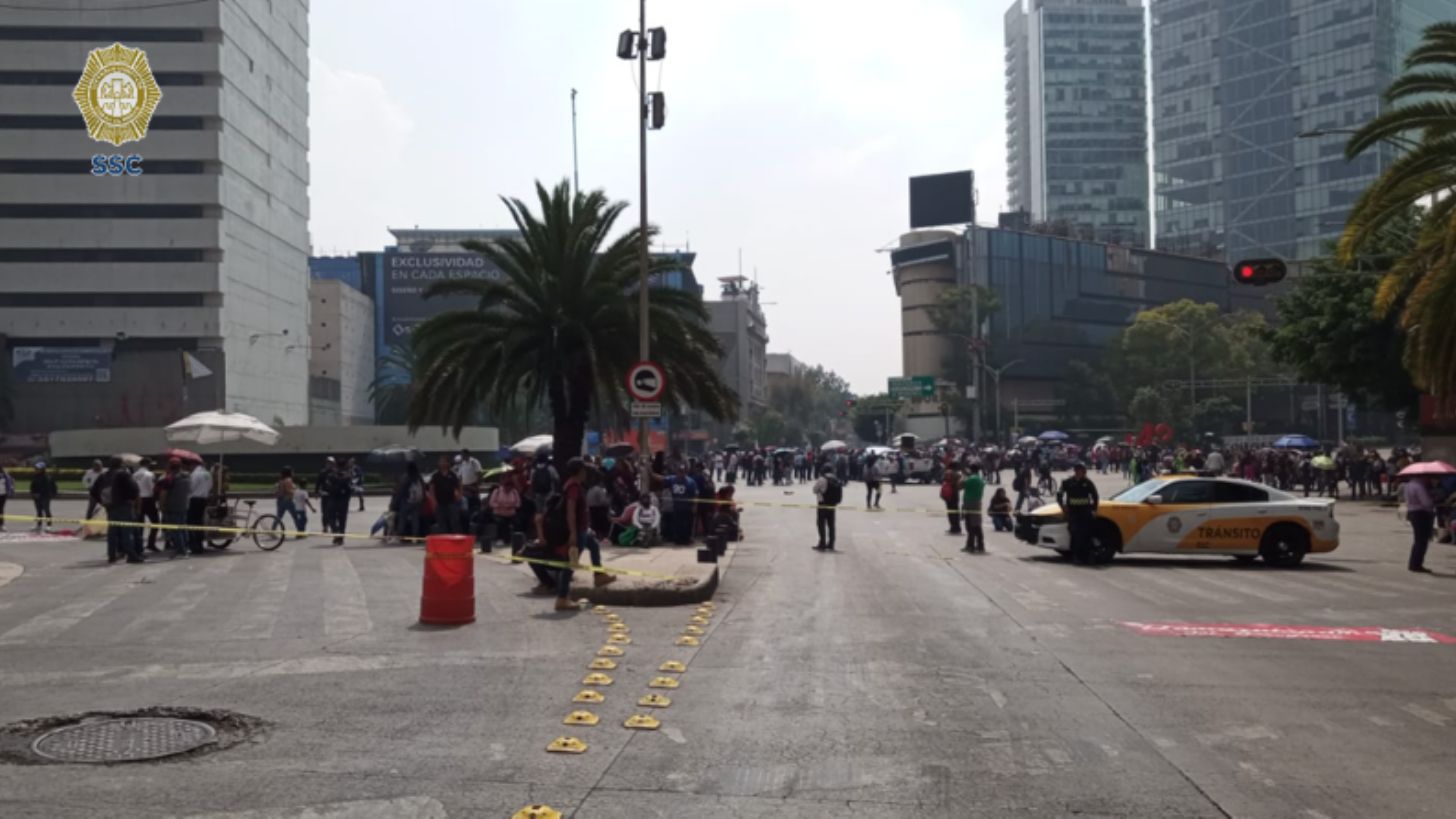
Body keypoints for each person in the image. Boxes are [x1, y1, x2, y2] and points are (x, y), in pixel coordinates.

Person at [1058, 462, 1100, 564]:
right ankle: (1076, 556)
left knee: (1086, 534)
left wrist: (1094, 509)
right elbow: (1059, 494)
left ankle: (1087, 556)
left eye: (1082, 471)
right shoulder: (1068, 482)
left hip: (1085, 511)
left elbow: (1095, 496)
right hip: (1073, 512)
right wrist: (1062, 506)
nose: (1080, 473)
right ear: (1076, 471)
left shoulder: (1087, 482)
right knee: (1075, 534)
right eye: (1079, 471)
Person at [103, 457, 142, 564]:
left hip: (111, 507)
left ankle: (112, 555)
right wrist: (132, 500)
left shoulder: (104, 475)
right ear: (120, 464)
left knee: (112, 532)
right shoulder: (124, 474)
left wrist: (104, 503)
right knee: (127, 532)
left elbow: (95, 490)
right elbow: (135, 489)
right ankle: (131, 555)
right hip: (124, 505)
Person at [155, 459, 192, 560]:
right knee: (183, 528)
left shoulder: (170, 478)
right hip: (184, 505)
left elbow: (163, 494)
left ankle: (180, 550)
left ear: (170, 466)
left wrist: (161, 506)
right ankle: (186, 548)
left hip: (172, 507)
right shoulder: (187, 476)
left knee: (175, 530)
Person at [1404, 474, 1436, 573]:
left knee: (1417, 539)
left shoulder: (1408, 485)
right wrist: (1432, 501)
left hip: (1412, 512)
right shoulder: (1419, 486)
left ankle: (1413, 563)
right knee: (1422, 541)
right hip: (1421, 513)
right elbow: (1426, 502)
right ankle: (1416, 564)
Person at [317, 457, 354, 545]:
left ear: (336, 465)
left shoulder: (331, 476)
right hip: (344, 501)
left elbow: (327, 487)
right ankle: (341, 538)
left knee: (331, 518)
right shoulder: (348, 476)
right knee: (342, 520)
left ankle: (335, 532)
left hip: (333, 500)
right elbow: (351, 489)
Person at [488, 471, 521, 552]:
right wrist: (500, 506)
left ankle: (515, 539)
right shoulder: (497, 491)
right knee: (502, 523)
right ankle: (500, 539)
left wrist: (512, 506)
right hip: (499, 513)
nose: (508, 490)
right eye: (507, 488)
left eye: (510, 488)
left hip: (511, 513)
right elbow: (491, 503)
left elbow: (518, 503)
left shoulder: (514, 492)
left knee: (518, 523)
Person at [429, 455, 462, 534]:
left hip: (452, 502)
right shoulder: (435, 476)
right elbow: (432, 489)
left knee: (454, 522)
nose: (443, 463)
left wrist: (459, 495)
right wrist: (434, 501)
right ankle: (444, 538)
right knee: (441, 523)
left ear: (448, 463)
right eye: (441, 462)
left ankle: (455, 538)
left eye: (445, 462)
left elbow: (459, 486)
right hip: (440, 503)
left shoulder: (453, 475)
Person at [665, 463, 695, 545]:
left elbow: (695, 495)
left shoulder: (690, 482)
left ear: (685, 472)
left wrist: (694, 507)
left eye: (683, 471)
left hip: (687, 508)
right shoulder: (672, 479)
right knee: (676, 524)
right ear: (677, 472)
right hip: (676, 507)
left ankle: (686, 539)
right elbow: (662, 479)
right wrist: (650, 473)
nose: (681, 473)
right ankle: (677, 539)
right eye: (679, 471)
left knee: (687, 524)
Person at [186, 459, 212, 554]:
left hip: (194, 499)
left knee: (191, 522)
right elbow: (210, 486)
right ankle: (199, 544)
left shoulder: (195, 474)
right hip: (203, 499)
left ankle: (193, 545)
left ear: (194, 464)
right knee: (199, 522)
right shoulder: (207, 474)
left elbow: (190, 488)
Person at [812, 466, 841, 551]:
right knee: (831, 524)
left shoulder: (822, 479)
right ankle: (831, 544)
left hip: (823, 504)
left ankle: (822, 543)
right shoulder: (836, 479)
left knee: (821, 524)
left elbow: (814, 490)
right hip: (832, 504)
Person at [134, 459, 159, 553]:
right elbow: (153, 489)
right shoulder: (149, 474)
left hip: (137, 500)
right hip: (148, 500)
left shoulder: (134, 475)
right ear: (147, 464)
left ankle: (138, 546)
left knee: (140, 524)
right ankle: (151, 543)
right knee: (155, 522)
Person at [961, 463, 987, 553]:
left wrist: (964, 476)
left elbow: (959, 486)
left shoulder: (970, 479)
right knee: (976, 525)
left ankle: (971, 546)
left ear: (970, 470)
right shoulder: (980, 479)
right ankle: (979, 545)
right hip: (977, 502)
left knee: (970, 526)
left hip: (969, 503)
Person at [29, 461, 56, 532]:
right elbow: (32, 486)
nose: (36, 470)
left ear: (43, 469)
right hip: (36, 497)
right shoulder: (35, 476)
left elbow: (47, 487)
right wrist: (33, 493)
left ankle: (49, 525)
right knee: (38, 511)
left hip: (45, 497)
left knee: (47, 510)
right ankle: (39, 525)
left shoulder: (47, 477)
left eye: (38, 469)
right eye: (36, 468)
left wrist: (40, 494)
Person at [275, 467, 299, 536]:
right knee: (296, 516)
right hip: (288, 500)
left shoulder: (281, 480)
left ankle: (272, 530)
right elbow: (288, 490)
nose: (293, 473)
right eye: (292, 471)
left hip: (280, 500)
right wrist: (295, 491)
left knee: (278, 517)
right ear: (289, 473)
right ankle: (300, 531)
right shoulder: (288, 480)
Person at [940, 464, 962, 535]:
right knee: (956, 511)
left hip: (948, 494)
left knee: (950, 511)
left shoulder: (947, 473)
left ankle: (953, 527)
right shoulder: (958, 474)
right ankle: (957, 527)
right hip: (955, 494)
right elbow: (961, 484)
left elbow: (942, 480)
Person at [0, 462, 11, 532]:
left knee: (1, 510)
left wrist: (8, 492)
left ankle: (2, 525)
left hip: (2, 495)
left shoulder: (4, 474)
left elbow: (8, 483)